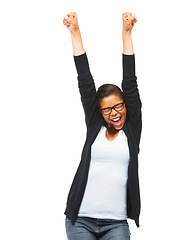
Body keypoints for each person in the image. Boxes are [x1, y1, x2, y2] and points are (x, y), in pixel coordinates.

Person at [63, 12, 142, 240]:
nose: (114, 113)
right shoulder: (95, 125)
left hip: (116, 224)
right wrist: (75, 32)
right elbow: (85, 81)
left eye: (118, 106)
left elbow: (130, 80)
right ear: (100, 112)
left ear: (125, 104)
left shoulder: (132, 129)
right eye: (107, 110)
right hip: (80, 221)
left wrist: (126, 33)